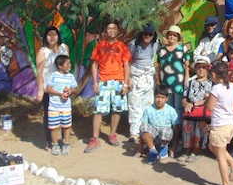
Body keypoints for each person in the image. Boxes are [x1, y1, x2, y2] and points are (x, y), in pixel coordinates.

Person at [85, 20, 132, 153]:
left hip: (118, 82)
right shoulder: (99, 45)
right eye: (109, 28)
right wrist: (95, 82)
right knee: (98, 110)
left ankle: (112, 134)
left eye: (114, 28)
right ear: (106, 31)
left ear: (118, 31)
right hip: (103, 82)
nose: (111, 30)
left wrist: (125, 83)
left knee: (116, 110)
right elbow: (94, 65)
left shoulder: (123, 47)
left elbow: (126, 66)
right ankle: (94, 138)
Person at [206, 61, 233, 185]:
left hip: (220, 125)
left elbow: (209, 107)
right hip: (231, 124)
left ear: (214, 74)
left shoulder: (215, 89)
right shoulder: (232, 87)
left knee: (220, 156)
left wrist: (207, 99)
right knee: (212, 146)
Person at [35, 26, 69, 151]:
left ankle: (65, 140)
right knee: (50, 116)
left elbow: (68, 66)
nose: (52, 37)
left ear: (58, 36)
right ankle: (50, 141)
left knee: (64, 114)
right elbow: (39, 72)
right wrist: (39, 90)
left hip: (63, 88)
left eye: (54, 34)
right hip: (49, 89)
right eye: (49, 35)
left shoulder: (64, 48)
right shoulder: (43, 51)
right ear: (46, 38)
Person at [177, 56, 213, 163]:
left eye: (203, 67)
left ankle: (196, 151)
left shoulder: (212, 83)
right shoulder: (190, 82)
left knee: (201, 125)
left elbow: (212, 99)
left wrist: (201, 102)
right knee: (187, 124)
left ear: (207, 69)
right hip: (191, 110)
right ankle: (187, 150)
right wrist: (187, 104)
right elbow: (184, 99)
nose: (201, 69)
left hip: (204, 111)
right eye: (199, 67)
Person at [127, 24, 159, 142]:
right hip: (135, 77)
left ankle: (145, 131)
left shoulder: (155, 44)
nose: (147, 36)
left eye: (150, 34)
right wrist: (128, 79)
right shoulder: (133, 45)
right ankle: (134, 132)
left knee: (147, 104)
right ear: (141, 34)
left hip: (148, 78)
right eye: (145, 33)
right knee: (134, 105)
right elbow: (127, 62)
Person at [45, 55, 78, 155]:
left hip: (66, 107)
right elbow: (48, 89)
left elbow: (76, 89)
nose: (70, 65)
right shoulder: (53, 75)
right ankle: (54, 144)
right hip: (54, 106)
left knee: (67, 126)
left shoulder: (70, 76)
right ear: (60, 65)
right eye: (67, 63)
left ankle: (66, 144)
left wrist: (70, 90)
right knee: (54, 127)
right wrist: (60, 94)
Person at [156, 25, 191, 119]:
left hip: (178, 82)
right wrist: (158, 80)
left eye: (175, 35)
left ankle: (178, 128)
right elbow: (159, 66)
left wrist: (186, 80)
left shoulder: (182, 49)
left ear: (178, 37)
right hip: (165, 82)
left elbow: (187, 65)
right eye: (170, 35)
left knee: (178, 106)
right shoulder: (161, 49)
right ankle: (170, 127)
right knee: (168, 106)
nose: (172, 37)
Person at [140, 86, 180, 165]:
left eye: (162, 97)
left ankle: (163, 148)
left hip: (165, 137)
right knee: (143, 126)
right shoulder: (148, 109)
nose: (159, 100)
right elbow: (143, 128)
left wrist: (174, 146)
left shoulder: (171, 110)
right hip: (153, 136)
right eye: (157, 97)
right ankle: (153, 151)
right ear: (154, 97)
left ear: (167, 99)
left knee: (167, 130)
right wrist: (140, 149)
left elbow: (176, 129)